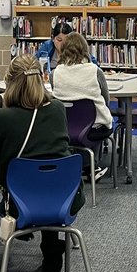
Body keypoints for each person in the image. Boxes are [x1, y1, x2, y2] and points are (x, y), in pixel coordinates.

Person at [0, 54, 84, 272]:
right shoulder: (56, 109)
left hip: (18, 204)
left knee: (29, 183)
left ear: (10, 84)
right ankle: (52, 253)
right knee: (44, 174)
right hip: (64, 199)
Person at [50, 32, 112, 182]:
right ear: (85, 49)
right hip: (93, 131)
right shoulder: (95, 71)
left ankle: (81, 165)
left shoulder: (55, 73)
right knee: (98, 120)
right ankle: (91, 166)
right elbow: (106, 100)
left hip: (63, 129)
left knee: (81, 123)